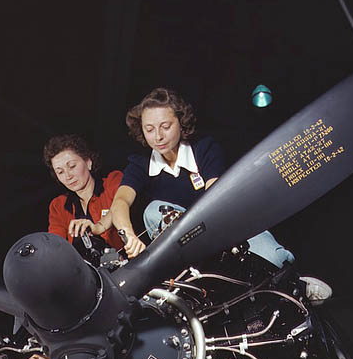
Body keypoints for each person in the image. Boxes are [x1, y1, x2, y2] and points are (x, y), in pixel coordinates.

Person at [110, 87, 297, 273]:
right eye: (149, 129)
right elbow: (121, 201)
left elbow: (215, 198)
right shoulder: (140, 163)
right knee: (153, 210)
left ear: (181, 123)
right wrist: (128, 235)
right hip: (185, 243)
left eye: (166, 127)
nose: (158, 136)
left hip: (223, 223)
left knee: (278, 261)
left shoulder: (205, 148)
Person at [44, 134, 125, 250]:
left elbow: (120, 206)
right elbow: (56, 246)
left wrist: (98, 226)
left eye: (72, 166)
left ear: (88, 162)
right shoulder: (58, 206)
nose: (68, 176)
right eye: (60, 172)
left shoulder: (113, 181)